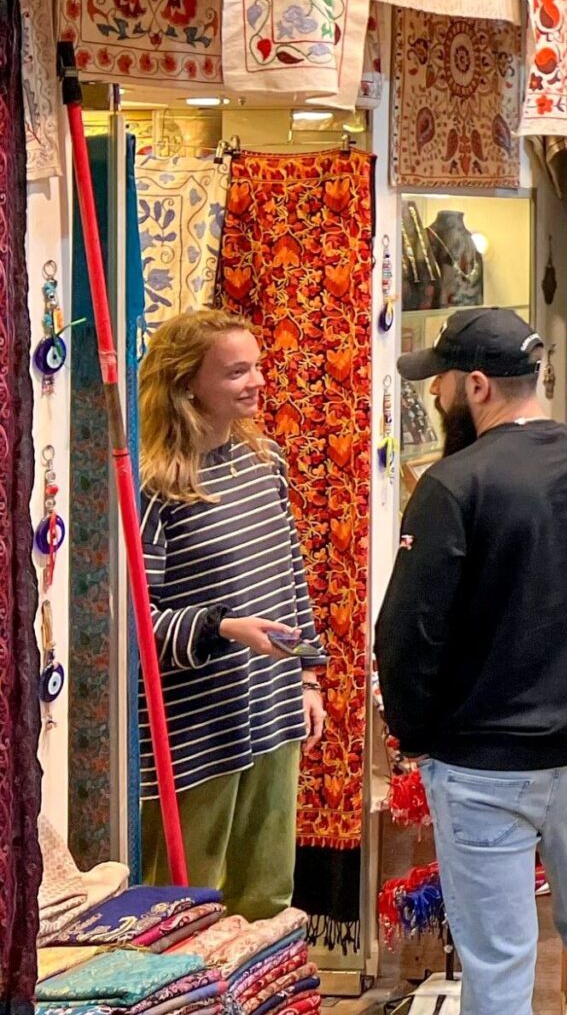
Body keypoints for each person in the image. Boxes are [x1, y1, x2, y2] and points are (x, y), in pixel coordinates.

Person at [376, 309, 567, 1015]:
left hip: (483, 764)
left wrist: (418, 735)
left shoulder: (454, 484)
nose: (436, 397)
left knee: (499, 962)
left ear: (476, 386)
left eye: (440, 382)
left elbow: (408, 634)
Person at [131, 309, 326, 917]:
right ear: (188, 383)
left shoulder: (263, 460)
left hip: (271, 715)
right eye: (237, 372)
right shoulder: (155, 486)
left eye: (258, 366)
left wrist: (307, 674)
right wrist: (220, 626)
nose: (258, 381)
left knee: (268, 897)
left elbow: (289, 574)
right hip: (193, 732)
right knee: (187, 909)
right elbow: (134, 626)